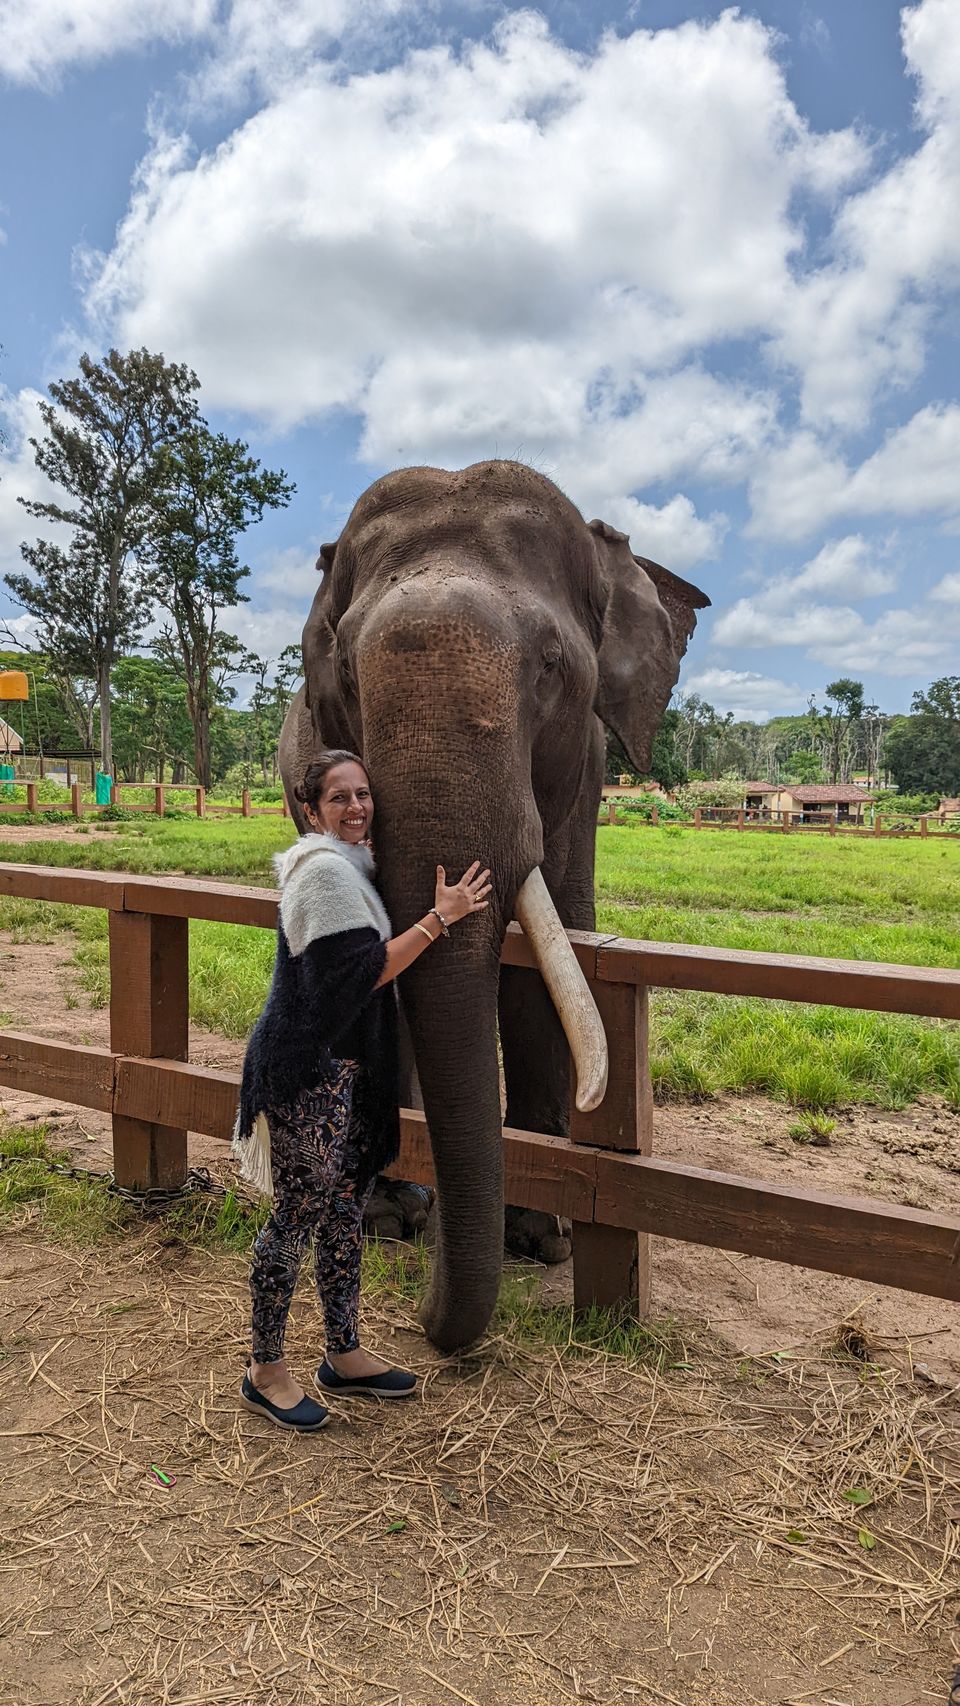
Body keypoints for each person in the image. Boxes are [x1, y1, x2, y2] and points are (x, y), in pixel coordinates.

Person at [232, 749, 492, 1432]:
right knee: (297, 1216)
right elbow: (362, 974)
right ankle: (265, 1370)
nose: (356, 808)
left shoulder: (352, 871)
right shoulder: (321, 875)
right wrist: (442, 918)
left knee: (347, 1208)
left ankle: (342, 1352)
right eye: (340, 798)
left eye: (363, 795)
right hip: (306, 1073)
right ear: (310, 810)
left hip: (346, 1073)